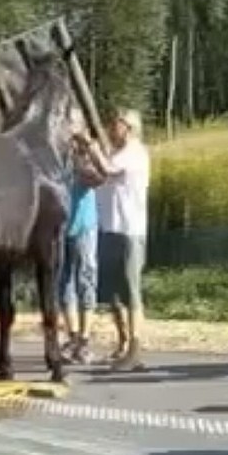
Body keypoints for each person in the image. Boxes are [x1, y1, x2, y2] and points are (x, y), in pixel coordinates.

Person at [74, 108, 150, 372]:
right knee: (114, 294)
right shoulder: (116, 154)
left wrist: (90, 144)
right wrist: (82, 154)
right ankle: (123, 343)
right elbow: (95, 176)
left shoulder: (134, 153)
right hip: (109, 228)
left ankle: (135, 349)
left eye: (114, 125)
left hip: (129, 230)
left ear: (128, 128)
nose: (109, 129)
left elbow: (106, 170)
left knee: (131, 291)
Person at [58, 132, 103, 365]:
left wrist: (86, 151)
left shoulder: (86, 164)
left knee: (86, 279)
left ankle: (85, 339)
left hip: (84, 227)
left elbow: (98, 178)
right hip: (62, 228)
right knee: (63, 282)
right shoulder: (58, 161)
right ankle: (72, 336)